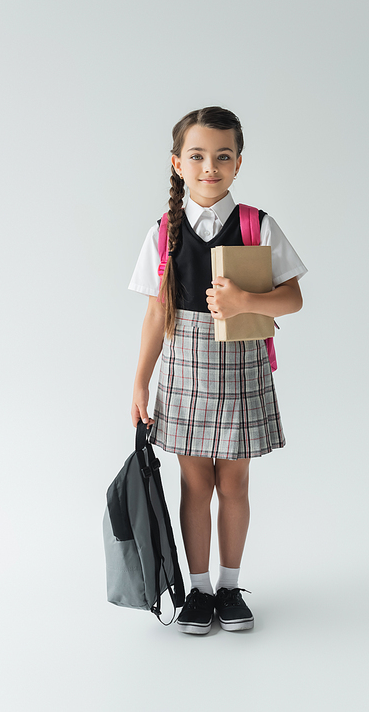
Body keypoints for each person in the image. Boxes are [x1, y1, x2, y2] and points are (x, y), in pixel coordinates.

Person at [129, 106, 307, 634]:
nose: (211, 166)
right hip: (186, 369)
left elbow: (293, 298)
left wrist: (245, 299)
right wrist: (139, 381)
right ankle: (200, 591)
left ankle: (230, 588)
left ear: (238, 163)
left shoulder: (256, 224)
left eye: (222, 156)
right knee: (194, 485)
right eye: (198, 155)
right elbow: (157, 313)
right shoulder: (165, 230)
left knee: (234, 481)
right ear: (178, 164)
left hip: (241, 368)